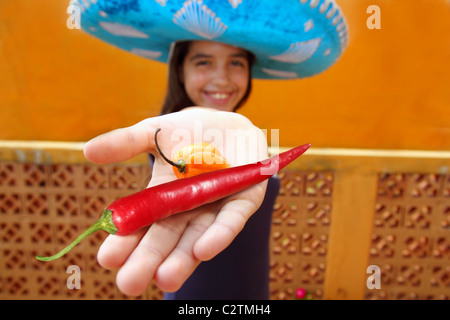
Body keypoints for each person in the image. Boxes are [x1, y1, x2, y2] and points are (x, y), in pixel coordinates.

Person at [78, 0, 349, 299]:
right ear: (179, 70)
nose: (222, 78)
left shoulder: (246, 139)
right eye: (203, 61)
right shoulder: (168, 148)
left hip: (252, 292)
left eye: (236, 62)